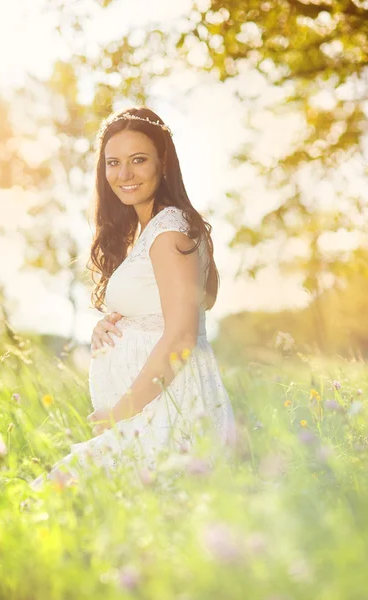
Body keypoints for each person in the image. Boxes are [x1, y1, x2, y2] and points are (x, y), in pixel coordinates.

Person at [30, 106, 236, 491]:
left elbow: (181, 336)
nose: (123, 174)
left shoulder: (169, 232)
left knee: (52, 494)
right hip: (153, 409)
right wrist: (118, 322)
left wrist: (122, 410)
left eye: (138, 160)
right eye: (113, 163)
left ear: (163, 164)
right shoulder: (156, 230)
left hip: (169, 410)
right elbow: (175, 306)